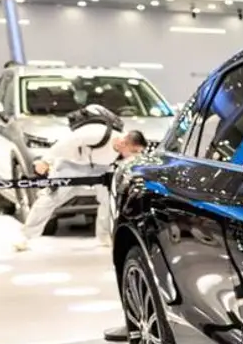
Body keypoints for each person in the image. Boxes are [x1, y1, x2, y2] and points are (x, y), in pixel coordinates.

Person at [15, 104, 147, 253]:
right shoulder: (97, 133)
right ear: (124, 143)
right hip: (72, 165)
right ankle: (25, 236)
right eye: (134, 151)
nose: (136, 154)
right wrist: (46, 161)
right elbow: (66, 142)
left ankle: (105, 236)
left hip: (102, 168)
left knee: (108, 200)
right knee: (50, 198)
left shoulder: (122, 149)